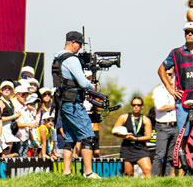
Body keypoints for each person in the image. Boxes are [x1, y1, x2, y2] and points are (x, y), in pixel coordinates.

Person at [53, 31, 104, 178]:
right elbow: (82, 82)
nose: (80, 48)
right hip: (73, 102)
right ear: (73, 42)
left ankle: (67, 172)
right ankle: (88, 172)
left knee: (70, 138)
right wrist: (92, 87)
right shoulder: (72, 59)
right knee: (88, 135)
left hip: (63, 102)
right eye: (79, 45)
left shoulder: (57, 57)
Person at [113, 98, 155, 178]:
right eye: (134, 105)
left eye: (138, 105)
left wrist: (135, 139)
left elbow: (148, 137)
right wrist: (124, 136)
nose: (136, 107)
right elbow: (114, 131)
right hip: (127, 148)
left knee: (148, 170)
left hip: (141, 148)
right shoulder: (123, 117)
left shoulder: (146, 120)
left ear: (142, 107)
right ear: (131, 106)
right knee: (129, 174)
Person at [150, 83, 180, 176]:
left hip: (175, 125)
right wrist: (177, 105)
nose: (171, 77)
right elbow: (161, 107)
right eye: (168, 75)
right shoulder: (159, 90)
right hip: (163, 126)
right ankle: (154, 178)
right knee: (160, 154)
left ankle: (166, 178)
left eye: (172, 74)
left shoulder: (177, 88)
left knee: (170, 156)